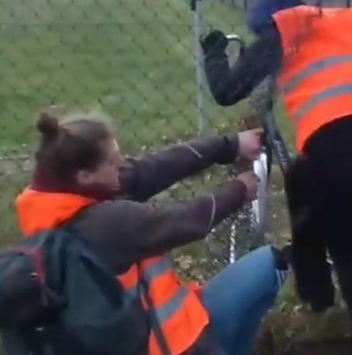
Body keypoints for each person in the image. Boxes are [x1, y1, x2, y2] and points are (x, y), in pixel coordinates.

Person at [200, 0, 352, 355]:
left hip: (336, 144)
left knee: (349, 248)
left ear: (270, 19)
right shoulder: (347, 17)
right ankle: (315, 289)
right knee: (302, 179)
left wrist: (215, 51)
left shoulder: (281, 31)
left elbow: (226, 91)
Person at [14, 111, 289, 355]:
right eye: (111, 162)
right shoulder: (105, 224)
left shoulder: (51, 203)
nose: (121, 166)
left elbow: (155, 168)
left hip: (158, 332)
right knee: (271, 265)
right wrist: (240, 190)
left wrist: (231, 146)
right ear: (84, 175)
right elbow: (189, 220)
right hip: (174, 345)